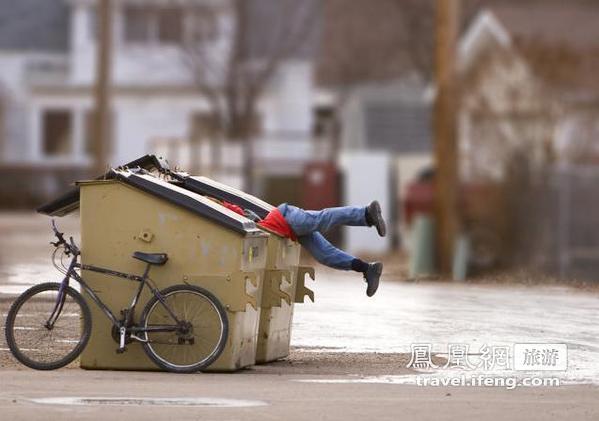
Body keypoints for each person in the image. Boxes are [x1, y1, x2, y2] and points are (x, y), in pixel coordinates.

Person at [220, 200, 387, 297]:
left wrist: (217, 204)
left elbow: (233, 209)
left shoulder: (229, 211)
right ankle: (367, 268)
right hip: (290, 230)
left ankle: (366, 214)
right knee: (325, 255)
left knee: (322, 219)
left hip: (286, 218)